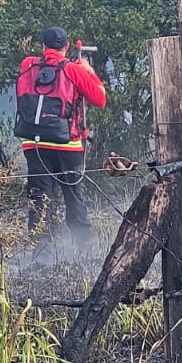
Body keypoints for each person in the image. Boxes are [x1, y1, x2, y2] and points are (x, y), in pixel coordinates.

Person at [17, 26, 106, 244]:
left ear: (43, 46)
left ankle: (40, 257)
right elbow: (100, 99)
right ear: (67, 46)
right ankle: (84, 252)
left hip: (34, 144)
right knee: (74, 198)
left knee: (38, 201)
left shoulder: (28, 65)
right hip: (68, 146)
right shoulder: (74, 70)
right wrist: (88, 71)